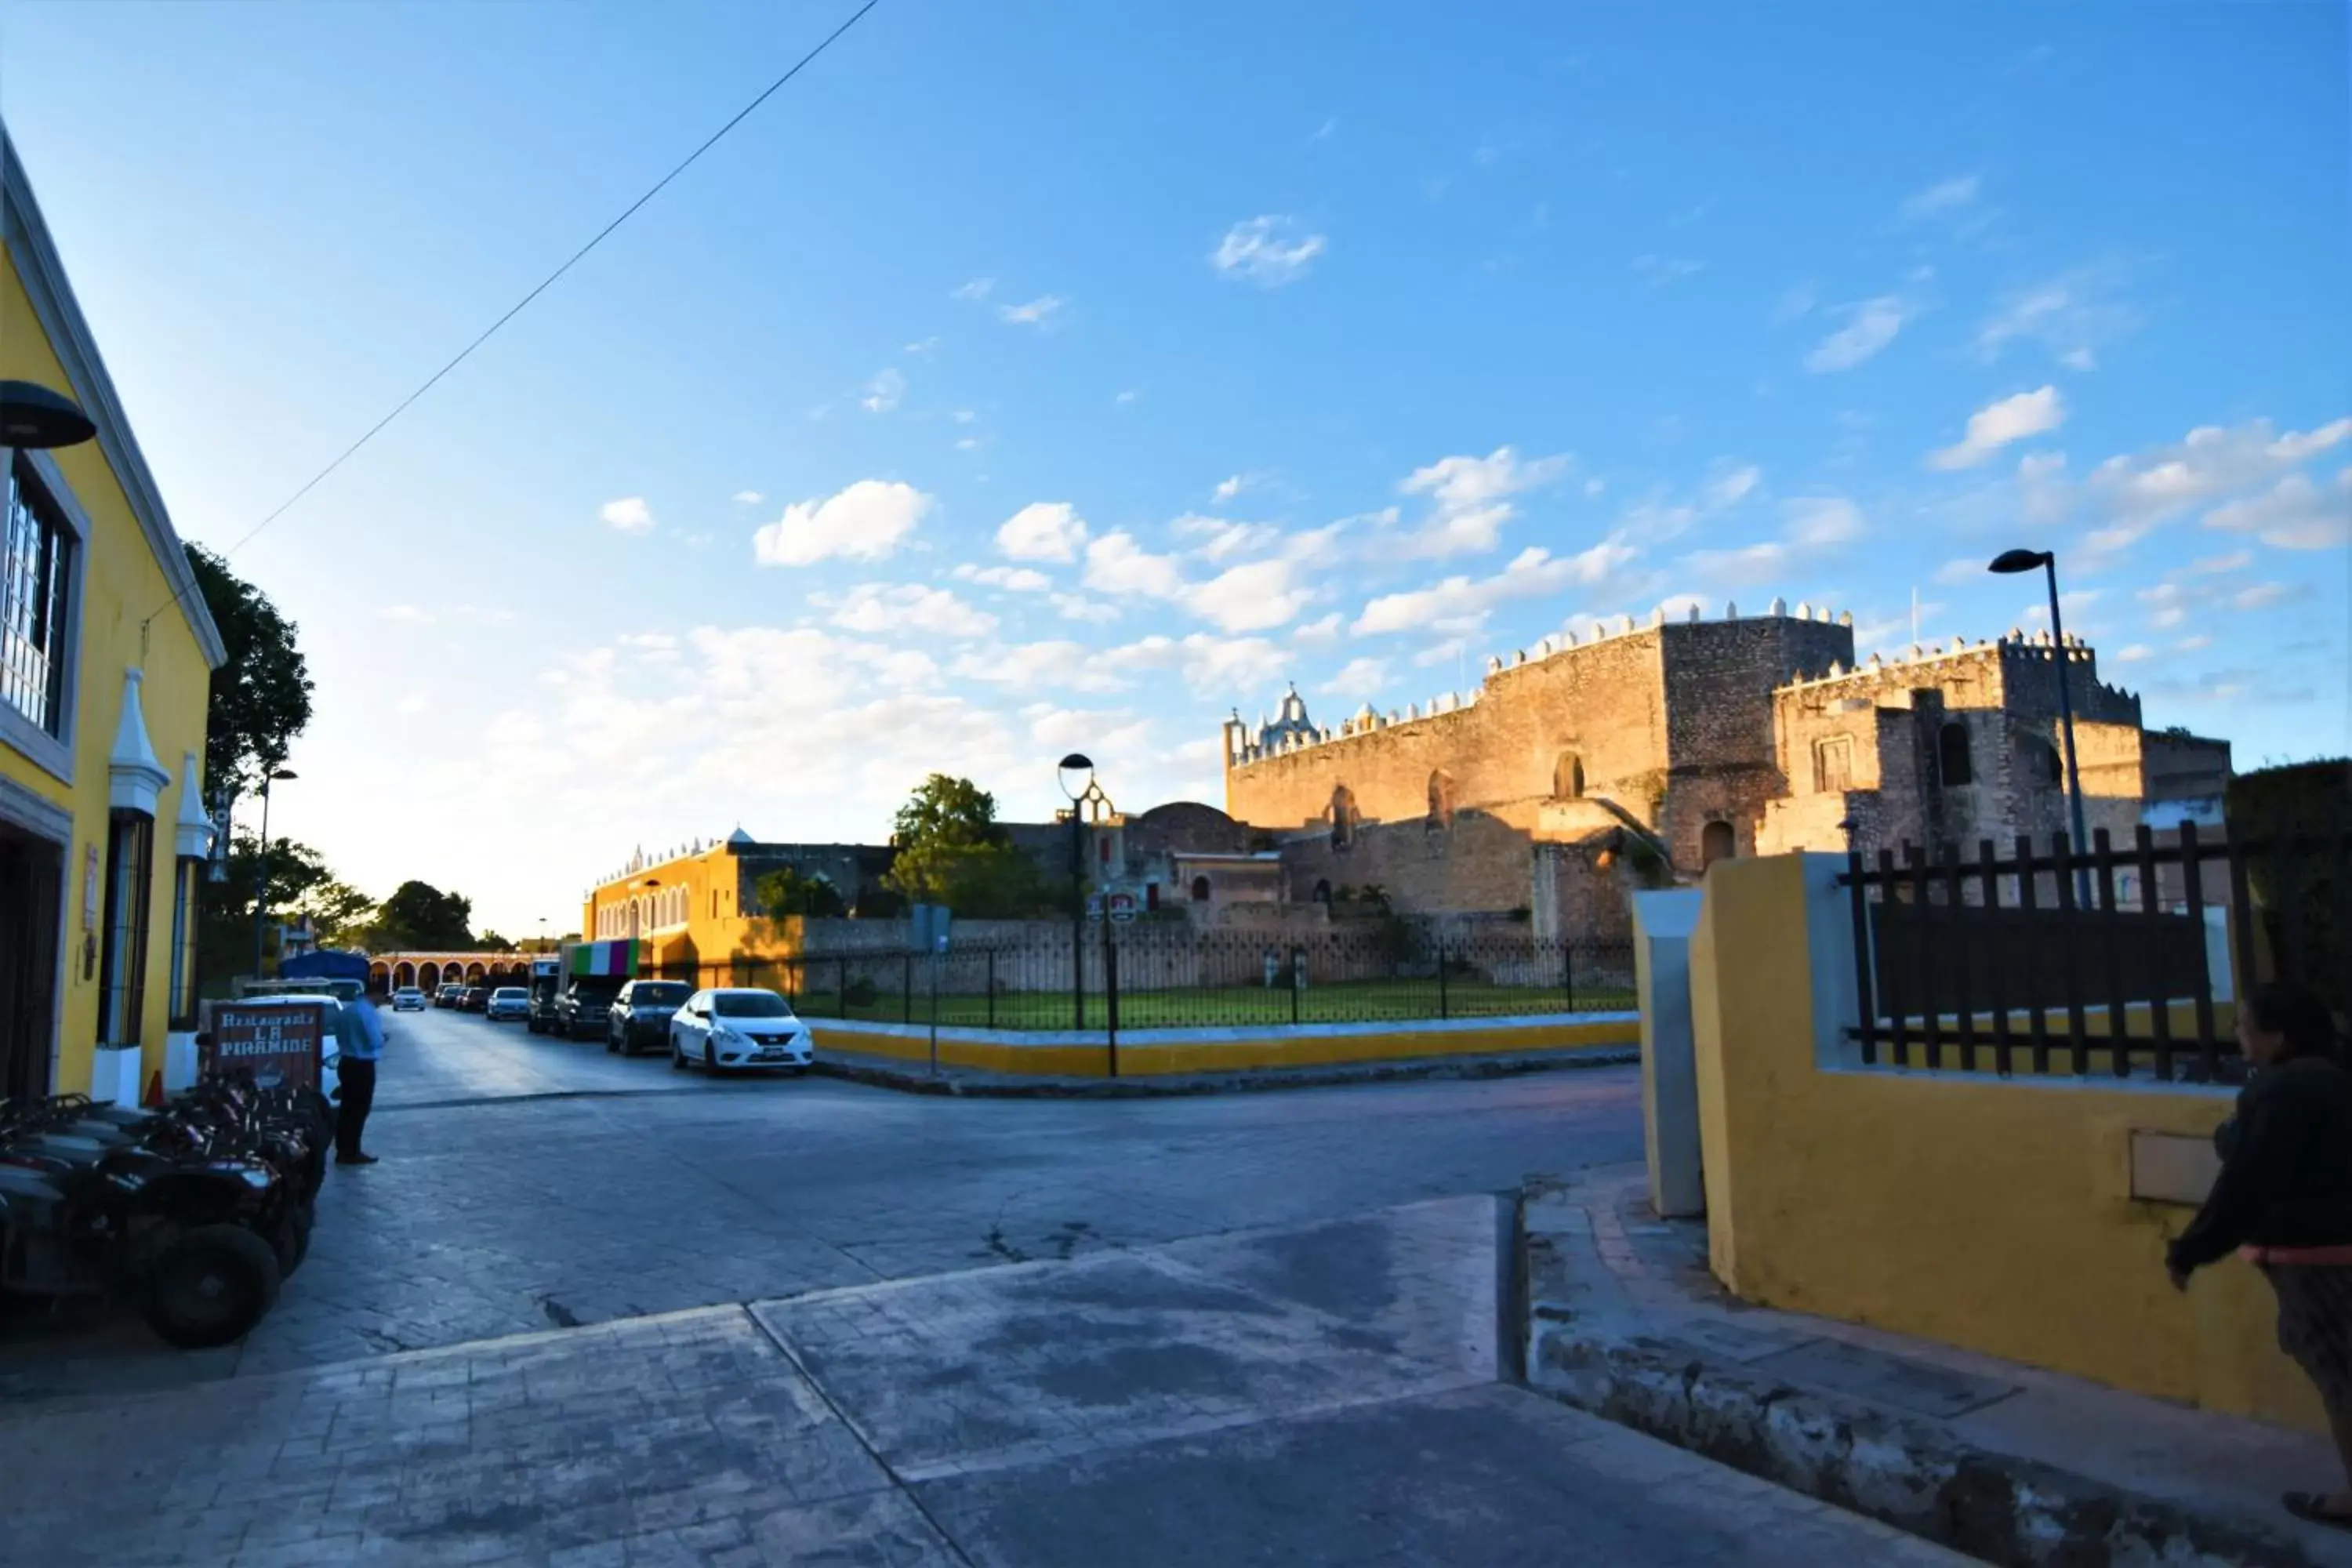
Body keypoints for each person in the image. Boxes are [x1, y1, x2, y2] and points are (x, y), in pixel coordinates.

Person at [2168, 980, 2352, 1530]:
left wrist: (2193, 1248)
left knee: (2340, 1374)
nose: (2238, 1035)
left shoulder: (2285, 1090)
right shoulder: (2328, 1081)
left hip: (2316, 1256)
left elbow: (2250, 1180)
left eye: (2245, 1025)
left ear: (2278, 1036)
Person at [333, 990, 386, 1166]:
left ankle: (343, 1149)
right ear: (375, 995)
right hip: (361, 1065)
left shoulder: (348, 1010)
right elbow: (374, 1039)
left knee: (346, 1109)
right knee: (359, 1110)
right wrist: (383, 1038)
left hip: (346, 1062)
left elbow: (339, 1035)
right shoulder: (367, 1012)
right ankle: (352, 1151)